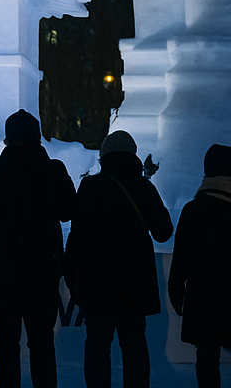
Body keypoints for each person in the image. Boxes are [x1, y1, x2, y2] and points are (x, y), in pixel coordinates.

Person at [0, 108, 76, 388]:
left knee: (6, 338)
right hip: (44, 264)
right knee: (42, 339)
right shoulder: (53, 170)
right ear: (38, 138)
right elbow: (68, 211)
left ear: (7, 139)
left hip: (4, 264)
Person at [65, 130, 173, 388]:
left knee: (97, 347)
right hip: (135, 285)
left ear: (104, 157)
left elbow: (77, 237)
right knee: (135, 346)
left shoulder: (91, 187)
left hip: (97, 284)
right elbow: (164, 232)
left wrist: (72, 278)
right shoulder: (143, 188)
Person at [168, 143, 231, 388]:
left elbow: (181, 256)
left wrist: (176, 289)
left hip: (204, 296)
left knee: (206, 356)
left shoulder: (193, 209)